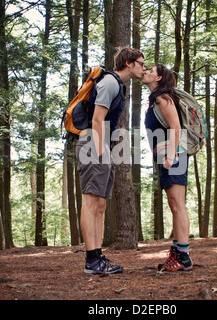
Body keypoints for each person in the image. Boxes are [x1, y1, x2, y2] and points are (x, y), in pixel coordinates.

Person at [76, 47, 146, 275]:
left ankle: (97, 257)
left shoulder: (117, 84)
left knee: (100, 204)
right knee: (90, 201)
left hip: (101, 146)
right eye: (141, 63)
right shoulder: (110, 82)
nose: (143, 68)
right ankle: (91, 260)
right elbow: (97, 120)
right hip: (93, 144)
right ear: (128, 63)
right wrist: (99, 152)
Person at [142, 64, 193, 272]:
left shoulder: (164, 98)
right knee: (174, 203)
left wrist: (171, 157)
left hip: (174, 156)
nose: (146, 72)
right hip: (165, 156)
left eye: (150, 70)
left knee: (177, 204)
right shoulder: (155, 100)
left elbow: (176, 127)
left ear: (159, 77)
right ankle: (177, 250)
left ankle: (184, 256)